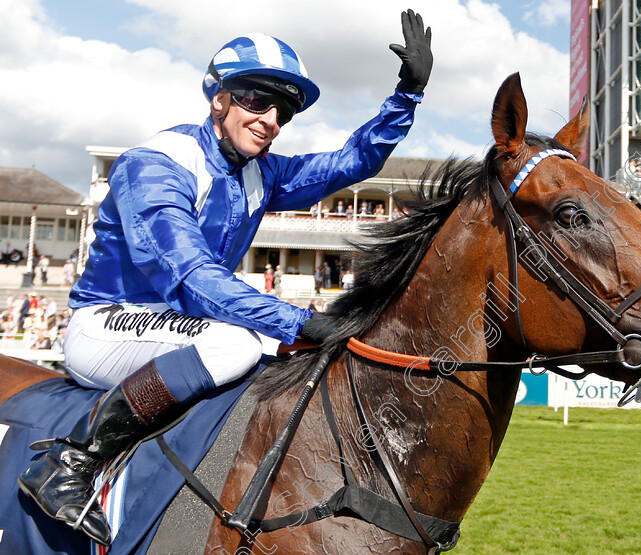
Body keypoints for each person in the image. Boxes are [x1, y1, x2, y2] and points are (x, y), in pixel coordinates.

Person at [18, 10, 433, 546]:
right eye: (256, 100)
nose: (269, 119)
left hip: (178, 330)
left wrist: (407, 94)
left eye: (282, 109)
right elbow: (190, 273)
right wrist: (298, 320)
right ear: (219, 97)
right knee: (238, 344)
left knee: (287, 362)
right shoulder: (157, 163)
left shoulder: (263, 172)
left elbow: (352, 161)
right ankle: (70, 460)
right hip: (106, 325)